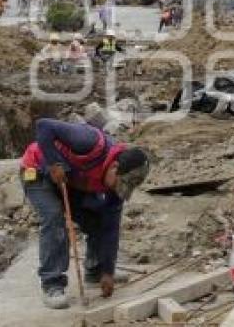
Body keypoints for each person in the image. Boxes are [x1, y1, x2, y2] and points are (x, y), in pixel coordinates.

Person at [20, 118, 150, 309]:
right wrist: (54, 163)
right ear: (114, 167)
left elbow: (110, 228)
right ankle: (52, 284)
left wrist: (108, 271)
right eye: (118, 183)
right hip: (38, 171)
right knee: (54, 217)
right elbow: (43, 126)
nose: (117, 189)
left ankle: (95, 270)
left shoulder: (115, 189)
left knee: (97, 220)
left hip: (70, 182)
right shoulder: (88, 141)